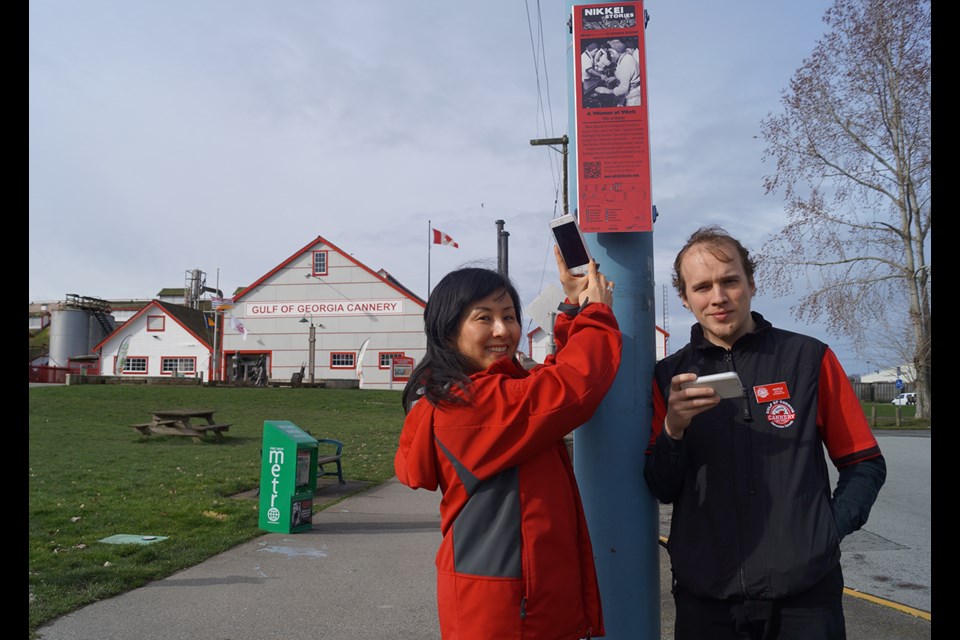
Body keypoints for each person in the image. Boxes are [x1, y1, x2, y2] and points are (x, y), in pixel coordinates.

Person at [644, 225, 886, 640]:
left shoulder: (809, 358)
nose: (718, 297)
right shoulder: (670, 376)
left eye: (730, 281)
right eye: (702, 287)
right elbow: (662, 486)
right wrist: (674, 428)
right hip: (707, 597)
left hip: (805, 598)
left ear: (751, 284)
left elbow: (864, 463)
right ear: (685, 298)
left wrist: (825, 530)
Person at [394, 248, 621, 639]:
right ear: (449, 332)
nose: (503, 330)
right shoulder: (466, 406)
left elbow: (547, 382)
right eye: (484, 318)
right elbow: (572, 387)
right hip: (507, 611)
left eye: (510, 317)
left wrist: (570, 309)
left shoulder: (485, 395)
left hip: (514, 601)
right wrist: (596, 313)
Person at [594, 39, 641, 107]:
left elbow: (624, 89)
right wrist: (615, 78)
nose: (611, 56)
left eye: (612, 53)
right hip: (631, 92)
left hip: (633, 96)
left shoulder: (625, 63)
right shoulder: (625, 57)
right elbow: (628, 75)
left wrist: (606, 91)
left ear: (619, 51)